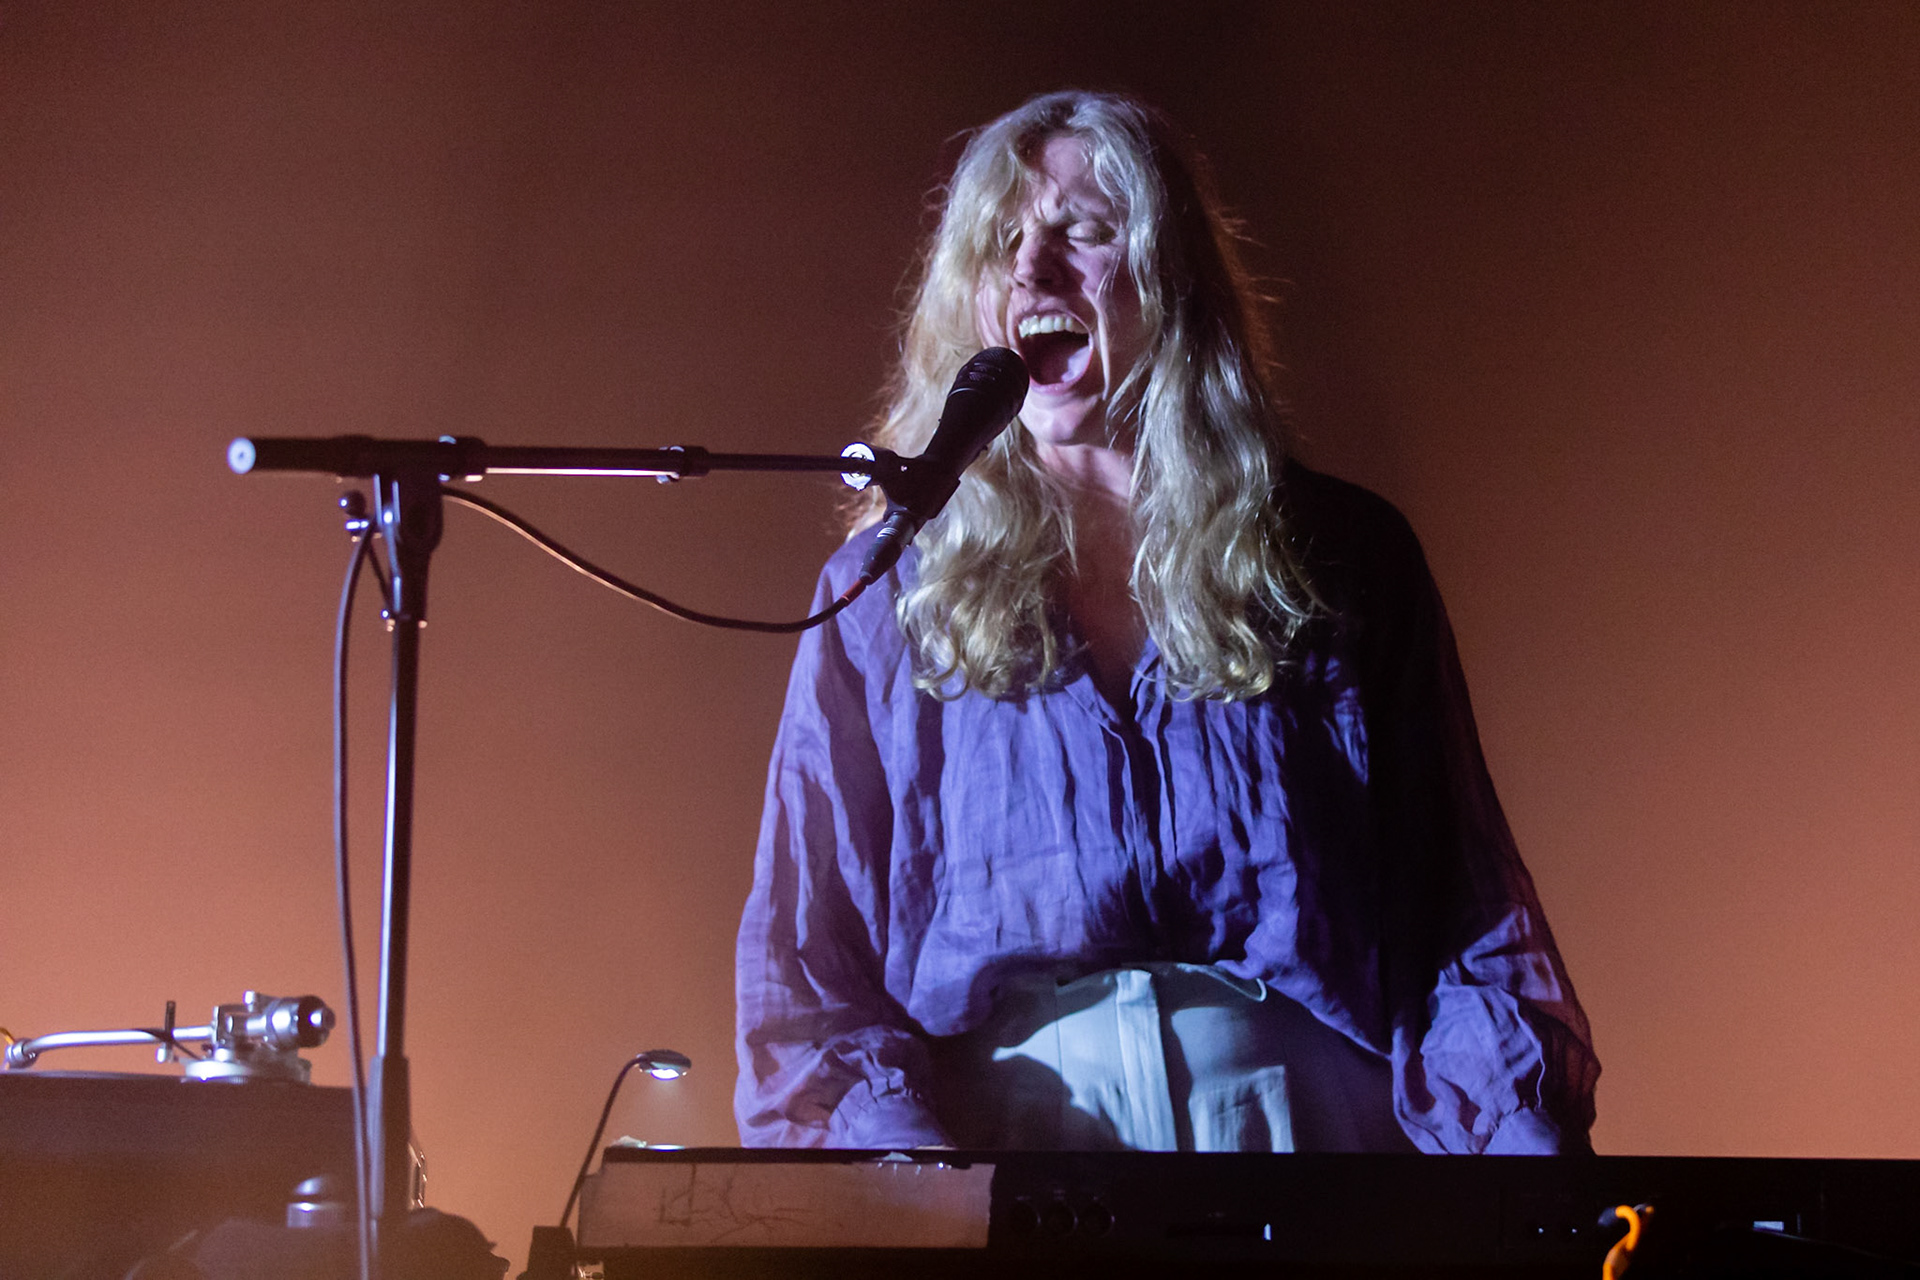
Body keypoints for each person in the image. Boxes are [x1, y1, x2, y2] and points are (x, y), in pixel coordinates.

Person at [734, 90, 1598, 1154]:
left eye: (1080, 232)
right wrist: (904, 1184)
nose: (1032, 271)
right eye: (1000, 243)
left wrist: (1525, 1178)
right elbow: (808, 960)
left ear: (1171, 274)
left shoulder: (1345, 556)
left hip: (1313, 1149)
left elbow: (1460, 915)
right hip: (1011, 1155)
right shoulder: (888, 586)